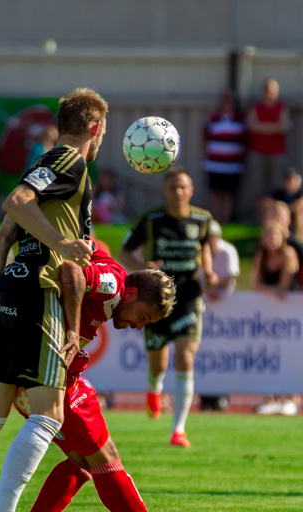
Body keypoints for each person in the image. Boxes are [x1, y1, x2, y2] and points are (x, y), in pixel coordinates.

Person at [0, 87, 108, 512]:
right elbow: (16, 204)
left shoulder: (43, 163)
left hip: (6, 291)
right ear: (96, 128)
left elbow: (0, 242)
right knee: (48, 412)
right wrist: (65, 241)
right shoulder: (70, 161)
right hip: (39, 294)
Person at [13, 249, 186, 512]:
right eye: (142, 317)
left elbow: (90, 250)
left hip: (44, 379)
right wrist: (72, 329)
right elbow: (72, 270)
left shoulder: (112, 275)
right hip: (54, 384)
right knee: (107, 459)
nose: (137, 327)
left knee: (83, 461)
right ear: (131, 294)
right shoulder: (114, 285)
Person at [119, 168, 218, 447]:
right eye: (173, 187)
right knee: (158, 363)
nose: (178, 192)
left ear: (191, 190)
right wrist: (144, 267)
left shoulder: (202, 219)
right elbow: (124, 251)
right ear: (165, 191)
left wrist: (208, 272)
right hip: (158, 301)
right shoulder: (151, 220)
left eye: (182, 187)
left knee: (186, 358)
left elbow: (205, 248)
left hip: (188, 298)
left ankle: (179, 430)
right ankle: (154, 388)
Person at [252, 221, 300, 416]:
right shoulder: (261, 256)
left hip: (291, 314)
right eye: (268, 237)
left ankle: (291, 399)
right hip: (269, 315)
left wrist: (270, 292)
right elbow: (255, 285)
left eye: (274, 237)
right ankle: (270, 398)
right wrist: (271, 293)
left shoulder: (288, 254)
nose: (271, 241)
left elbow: (284, 288)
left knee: (291, 353)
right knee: (268, 353)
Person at [198, 220, 239, 411]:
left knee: (223, 353)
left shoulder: (227, 251)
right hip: (204, 307)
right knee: (203, 352)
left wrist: (214, 290)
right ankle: (205, 395)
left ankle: (221, 393)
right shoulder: (198, 253)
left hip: (225, 310)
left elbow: (229, 279)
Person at [245, 78, 289, 222]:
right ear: (263, 91)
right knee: (258, 188)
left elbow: (282, 126)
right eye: (268, 91)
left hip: (277, 153)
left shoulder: (282, 107)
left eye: (273, 91)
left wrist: (262, 127)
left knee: (277, 188)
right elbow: (252, 126)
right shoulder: (256, 107)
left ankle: (277, 219)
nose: (270, 94)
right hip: (257, 152)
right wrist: (272, 127)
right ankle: (259, 219)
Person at [203, 89, 247, 224]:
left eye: (230, 99)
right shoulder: (213, 117)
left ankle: (225, 222)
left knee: (229, 193)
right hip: (214, 163)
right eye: (224, 99)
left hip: (233, 165)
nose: (227, 102)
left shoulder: (241, 118)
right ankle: (215, 221)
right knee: (216, 193)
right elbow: (204, 136)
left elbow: (247, 139)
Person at [263, 167, 303, 241]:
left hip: (293, 215)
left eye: (291, 180)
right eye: (287, 180)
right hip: (281, 215)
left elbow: (300, 203)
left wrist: (288, 208)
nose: (289, 182)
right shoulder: (280, 192)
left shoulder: (299, 193)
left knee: (298, 214)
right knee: (272, 214)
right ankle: (269, 236)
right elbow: (267, 201)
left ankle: (296, 239)